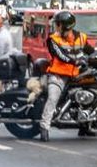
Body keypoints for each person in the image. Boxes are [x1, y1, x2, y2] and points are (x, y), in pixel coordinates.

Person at [38, 11, 91, 141]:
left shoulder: (81, 37)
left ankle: (85, 127)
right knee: (53, 98)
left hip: (78, 74)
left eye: (58, 24)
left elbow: (91, 50)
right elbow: (60, 56)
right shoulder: (53, 39)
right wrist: (76, 61)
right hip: (58, 75)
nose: (56, 26)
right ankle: (44, 127)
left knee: (85, 98)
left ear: (64, 26)